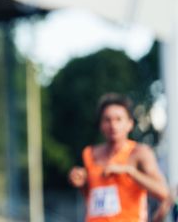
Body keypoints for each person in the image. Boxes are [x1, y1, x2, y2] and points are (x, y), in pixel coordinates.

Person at [68, 93, 170, 222]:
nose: (113, 125)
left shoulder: (139, 153)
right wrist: (81, 181)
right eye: (107, 119)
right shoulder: (89, 153)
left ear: (130, 124)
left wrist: (130, 171)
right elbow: (91, 197)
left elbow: (163, 192)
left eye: (118, 119)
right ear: (101, 125)